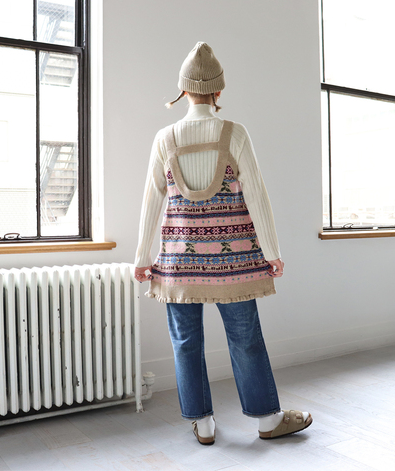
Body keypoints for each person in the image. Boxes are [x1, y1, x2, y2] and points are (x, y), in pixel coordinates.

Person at [134, 42, 312, 445]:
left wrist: (142, 257)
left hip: (179, 264)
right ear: (218, 90)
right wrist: (272, 252)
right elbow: (257, 195)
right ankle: (268, 420)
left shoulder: (165, 138)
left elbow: (152, 200)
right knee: (246, 339)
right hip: (235, 263)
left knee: (185, 342)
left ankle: (203, 424)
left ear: (183, 90)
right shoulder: (235, 133)